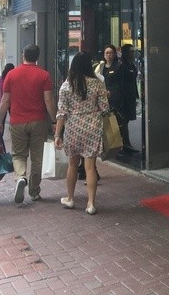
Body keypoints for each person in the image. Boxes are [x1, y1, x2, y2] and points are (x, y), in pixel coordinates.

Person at [0, 45, 57, 203]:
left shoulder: (11, 74)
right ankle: (34, 191)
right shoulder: (44, 75)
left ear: (23, 55)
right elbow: (48, 100)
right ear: (37, 57)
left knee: (18, 154)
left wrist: (0, 121)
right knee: (37, 158)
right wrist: (54, 120)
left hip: (17, 121)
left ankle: (21, 177)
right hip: (38, 121)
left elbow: (5, 100)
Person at [54, 51, 109, 215]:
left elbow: (61, 113)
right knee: (90, 167)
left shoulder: (66, 85)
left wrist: (57, 135)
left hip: (73, 127)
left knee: (73, 164)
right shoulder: (97, 84)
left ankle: (70, 198)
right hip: (92, 127)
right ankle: (91, 204)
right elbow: (105, 109)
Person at [119, 44, 139, 152]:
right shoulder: (122, 65)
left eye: (133, 52)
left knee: (126, 120)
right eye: (131, 52)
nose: (133, 54)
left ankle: (126, 143)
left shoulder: (131, 64)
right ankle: (125, 144)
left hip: (131, 95)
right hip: (125, 97)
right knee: (124, 120)